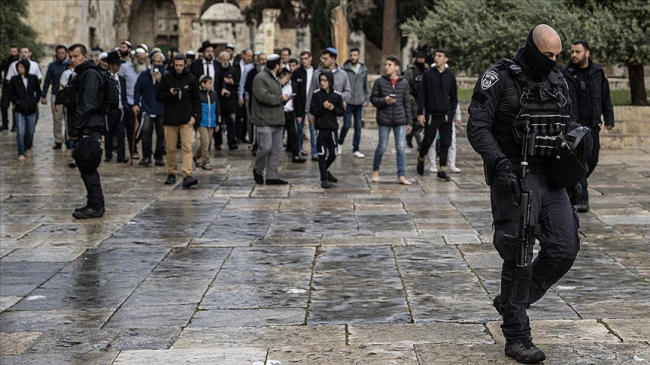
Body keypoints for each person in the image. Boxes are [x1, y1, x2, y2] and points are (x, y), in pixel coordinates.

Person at [467, 24, 579, 364]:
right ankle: (517, 336)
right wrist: (500, 164)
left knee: (565, 246)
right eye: (548, 55)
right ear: (532, 49)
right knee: (518, 252)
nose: (554, 61)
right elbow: (477, 126)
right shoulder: (498, 77)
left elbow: (569, 122)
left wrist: (575, 149)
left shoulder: (557, 81)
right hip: (515, 175)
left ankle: (512, 302)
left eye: (558, 55)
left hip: (552, 177)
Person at [561, 40, 614, 213]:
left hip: (592, 125)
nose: (573, 55)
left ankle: (574, 183)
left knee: (592, 160)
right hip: (575, 126)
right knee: (580, 160)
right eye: (572, 52)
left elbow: (605, 96)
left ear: (587, 53)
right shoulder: (566, 74)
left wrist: (609, 118)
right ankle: (582, 197)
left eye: (577, 51)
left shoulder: (597, 72)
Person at [66, 43, 106, 219]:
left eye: (76, 56)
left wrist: (76, 127)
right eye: (70, 57)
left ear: (85, 56)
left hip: (88, 127)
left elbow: (87, 104)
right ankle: (94, 203)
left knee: (88, 166)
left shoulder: (89, 75)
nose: (72, 60)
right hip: (86, 127)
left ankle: (96, 206)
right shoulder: (80, 75)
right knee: (86, 167)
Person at [156, 53, 202, 188]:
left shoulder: (191, 79)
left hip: (186, 120)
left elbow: (196, 99)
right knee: (170, 149)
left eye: (181, 65)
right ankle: (171, 173)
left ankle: (187, 175)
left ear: (185, 65)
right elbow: (158, 96)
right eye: (176, 65)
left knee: (187, 148)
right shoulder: (167, 78)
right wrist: (169, 94)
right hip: (170, 119)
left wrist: (195, 116)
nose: (178, 68)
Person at [416, 49, 458, 182]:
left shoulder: (450, 76)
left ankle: (442, 169)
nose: (436, 58)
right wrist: (420, 113)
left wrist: (451, 114)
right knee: (428, 140)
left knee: (446, 142)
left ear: (446, 59)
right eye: (436, 55)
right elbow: (421, 94)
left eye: (439, 56)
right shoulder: (428, 74)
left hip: (445, 115)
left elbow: (454, 97)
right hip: (431, 114)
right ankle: (421, 158)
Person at [369, 56, 412, 185]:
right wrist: (384, 101)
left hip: (400, 119)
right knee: (382, 146)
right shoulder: (379, 82)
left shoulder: (404, 83)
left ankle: (401, 175)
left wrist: (409, 121)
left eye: (389, 64)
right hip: (384, 119)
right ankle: (375, 170)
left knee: (400, 147)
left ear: (397, 67)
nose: (386, 67)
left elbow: (407, 103)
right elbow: (373, 99)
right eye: (386, 64)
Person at [251, 54, 291, 185]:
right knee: (265, 147)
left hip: (277, 119)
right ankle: (258, 169)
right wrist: (281, 99)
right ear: (277, 65)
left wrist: (284, 99)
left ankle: (272, 176)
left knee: (276, 149)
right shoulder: (260, 78)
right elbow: (263, 97)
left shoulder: (275, 78)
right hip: (264, 119)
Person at [306, 47, 351, 161]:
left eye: (325, 58)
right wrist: (309, 113)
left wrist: (338, 99)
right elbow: (311, 93)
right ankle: (317, 155)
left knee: (332, 146)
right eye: (322, 58)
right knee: (319, 139)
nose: (323, 61)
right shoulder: (317, 74)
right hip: (320, 113)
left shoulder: (343, 75)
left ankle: (327, 164)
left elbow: (348, 91)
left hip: (334, 114)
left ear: (333, 59)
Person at [310, 70, 345, 188]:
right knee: (321, 153)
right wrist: (322, 108)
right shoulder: (316, 94)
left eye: (325, 80)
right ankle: (324, 178)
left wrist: (332, 108)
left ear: (330, 81)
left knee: (333, 153)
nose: (322, 83)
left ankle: (325, 170)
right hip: (320, 128)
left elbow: (341, 112)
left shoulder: (336, 95)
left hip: (332, 128)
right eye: (321, 80)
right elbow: (312, 110)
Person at [133, 52, 166, 166]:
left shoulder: (166, 75)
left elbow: (168, 90)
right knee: (146, 132)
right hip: (147, 107)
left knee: (161, 134)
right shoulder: (144, 75)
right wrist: (136, 103)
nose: (156, 64)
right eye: (154, 62)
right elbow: (137, 89)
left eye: (159, 62)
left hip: (161, 108)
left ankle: (159, 156)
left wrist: (161, 80)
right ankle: (146, 156)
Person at [7, 59, 41, 160]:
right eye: (18, 67)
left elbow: (38, 92)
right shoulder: (14, 80)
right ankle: (20, 151)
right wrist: (17, 102)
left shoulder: (33, 78)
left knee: (30, 131)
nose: (19, 69)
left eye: (21, 67)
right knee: (20, 131)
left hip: (31, 109)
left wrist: (34, 101)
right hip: (19, 110)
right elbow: (10, 93)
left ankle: (28, 147)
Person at [340, 47, 370, 158]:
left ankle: (356, 149)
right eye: (351, 55)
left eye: (355, 55)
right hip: (348, 102)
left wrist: (367, 99)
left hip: (359, 102)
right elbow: (341, 85)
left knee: (358, 127)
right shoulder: (344, 69)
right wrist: (342, 99)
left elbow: (366, 86)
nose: (353, 57)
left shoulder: (363, 70)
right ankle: (340, 142)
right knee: (346, 125)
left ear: (359, 56)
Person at [41, 45, 69, 149]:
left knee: (68, 118)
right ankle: (58, 140)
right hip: (56, 95)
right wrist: (43, 95)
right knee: (57, 119)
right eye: (59, 53)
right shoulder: (52, 66)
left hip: (68, 95)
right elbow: (47, 81)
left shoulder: (70, 65)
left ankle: (68, 139)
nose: (61, 55)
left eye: (62, 53)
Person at [103, 52, 129, 163]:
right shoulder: (104, 78)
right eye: (116, 64)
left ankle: (121, 155)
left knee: (121, 133)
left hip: (120, 109)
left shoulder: (121, 79)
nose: (118, 66)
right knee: (108, 132)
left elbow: (123, 93)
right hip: (110, 110)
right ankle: (108, 154)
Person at [291, 50, 314, 158]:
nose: (303, 61)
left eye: (306, 58)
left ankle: (315, 151)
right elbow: (295, 92)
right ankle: (299, 149)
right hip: (300, 104)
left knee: (313, 129)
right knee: (299, 129)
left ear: (310, 58)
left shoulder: (316, 72)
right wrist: (297, 110)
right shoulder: (297, 73)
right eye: (302, 59)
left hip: (313, 105)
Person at [214, 51, 239, 150]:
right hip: (219, 100)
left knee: (231, 123)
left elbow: (237, 84)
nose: (225, 62)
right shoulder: (217, 70)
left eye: (227, 60)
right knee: (218, 122)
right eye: (223, 60)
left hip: (230, 101)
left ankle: (232, 142)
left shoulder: (232, 70)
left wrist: (232, 82)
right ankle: (217, 143)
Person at [279, 68, 305, 163]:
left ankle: (296, 154)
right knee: (279, 135)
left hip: (290, 113)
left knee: (293, 134)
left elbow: (297, 101)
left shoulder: (294, 85)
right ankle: (275, 155)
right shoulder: (277, 85)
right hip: (280, 113)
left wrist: (299, 114)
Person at [194, 75, 219, 170]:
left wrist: (218, 122)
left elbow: (217, 109)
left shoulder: (214, 94)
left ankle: (196, 157)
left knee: (207, 143)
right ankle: (206, 161)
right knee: (205, 142)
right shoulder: (198, 95)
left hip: (211, 122)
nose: (211, 85)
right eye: (209, 83)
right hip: (202, 122)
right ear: (203, 84)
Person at [403, 53, 427, 149]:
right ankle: (419, 142)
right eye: (419, 58)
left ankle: (410, 136)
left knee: (421, 123)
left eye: (423, 58)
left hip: (424, 100)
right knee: (416, 122)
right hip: (413, 101)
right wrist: (408, 96)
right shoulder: (410, 71)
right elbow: (403, 84)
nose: (421, 60)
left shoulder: (426, 71)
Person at [1, 46, 19, 131]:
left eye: (14, 51)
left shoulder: (20, 62)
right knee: (4, 106)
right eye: (11, 51)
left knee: (15, 106)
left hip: (16, 87)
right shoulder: (5, 61)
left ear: (17, 52)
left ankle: (15, 125)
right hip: (6, 86)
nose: (12, 53)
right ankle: (5, 124)